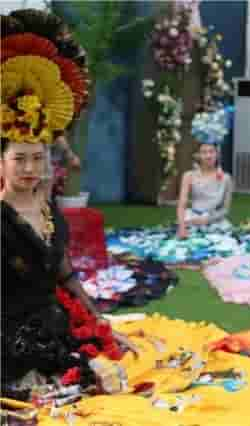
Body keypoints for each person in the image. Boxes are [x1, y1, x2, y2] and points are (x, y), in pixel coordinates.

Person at [1, 9, 136, 399]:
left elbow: (66, 277)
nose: (30, 168)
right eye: (19, 158)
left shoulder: (51, 214)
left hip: (53, 324)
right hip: (9, 336)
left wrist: (99, 321)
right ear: (2, 163)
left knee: (102, 369)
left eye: (38, 158)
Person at [176, 142, 233, 239]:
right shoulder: (189, 176)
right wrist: (182, 227)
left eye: (211, 151)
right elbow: (182, 204)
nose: (208, 155)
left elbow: (225, 209)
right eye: (204, 152)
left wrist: (208, 219)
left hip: (215, 222)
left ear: (217, 154)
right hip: (192, 220)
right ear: (198, 155)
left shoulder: (226, 178)